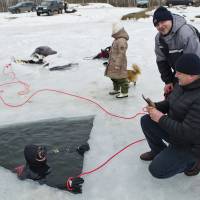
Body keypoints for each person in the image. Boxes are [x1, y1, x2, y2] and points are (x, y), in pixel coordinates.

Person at [140, 53, 200, 178]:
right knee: (147, 120)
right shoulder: (182, 84)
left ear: (193, 76)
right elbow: (170, 103)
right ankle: (159, 152)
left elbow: (187, 133)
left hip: (191, 145)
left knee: (157, 170)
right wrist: (156, 106)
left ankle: (193, 163)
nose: (176, 75)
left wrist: (160, 118)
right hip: (176, 133)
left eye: (179, 73)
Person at [153, 6, 200, 97]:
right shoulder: (159, 39)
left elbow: (194, 61)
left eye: (162, 22)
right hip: (180, 72)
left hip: (195, 72)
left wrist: (182, 85)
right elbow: (161, 61)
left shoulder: (185, 32)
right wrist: (168, 81)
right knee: (170, 96)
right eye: (157, 25)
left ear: (170, 19)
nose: (160, 26)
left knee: (186, 99)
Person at [15, 143, 90, 193]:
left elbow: (59, 151)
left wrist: (77, 149)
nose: (43, 155)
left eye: (42, 151)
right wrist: (67, 184)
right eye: (39, 155)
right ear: (32, 159)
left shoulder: (45, 157)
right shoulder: (30, 174)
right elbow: (45, 186)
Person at [105, 22, 129, 98]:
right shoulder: (117, 39)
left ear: (118, 31)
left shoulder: (121, 40)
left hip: (119, 63)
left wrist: (118, 64)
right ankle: (116, 89)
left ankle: (124, 92)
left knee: (121, 78)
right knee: (114, 77)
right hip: (113, 62)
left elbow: (121, 53)